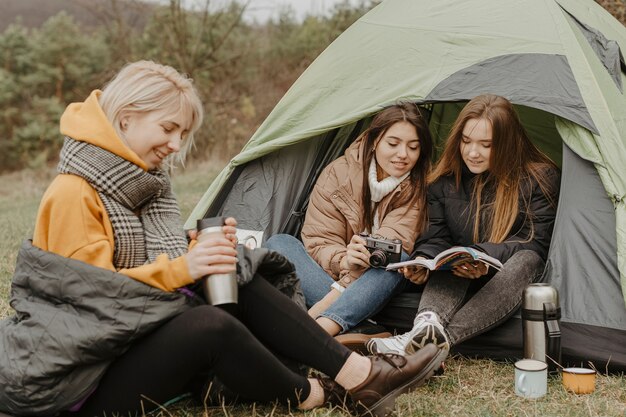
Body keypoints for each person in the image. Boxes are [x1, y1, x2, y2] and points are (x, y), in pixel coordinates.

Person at [0, 61, 447, 417]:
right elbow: (93, 301)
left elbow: (131, 256)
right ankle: (310, 393)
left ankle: (357, 376)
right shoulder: (75, 190)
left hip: (125, 344)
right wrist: (184, 266)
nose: (176, 145)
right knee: (210, 325)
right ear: (126, 118)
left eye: (183, 134)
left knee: (234, 272)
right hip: (81, 379)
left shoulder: (135, 181)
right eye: (168, 129)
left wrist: (193, 247)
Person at [367, 94, 560, 358]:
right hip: (460, 275)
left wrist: (483, 255)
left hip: (507, 279)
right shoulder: (444, 182)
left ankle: (433, 343)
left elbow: (535, 242)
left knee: (528, 259)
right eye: (466, 141)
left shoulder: (539, 178)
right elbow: (437, 237)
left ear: (507, 144)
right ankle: (426, 326)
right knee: (451, 255)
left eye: (486, 145)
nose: (472, 152)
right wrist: (423, 259)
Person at [265, 103, 433, 344]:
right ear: (375, 140)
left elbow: (387, 248)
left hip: (378, 279)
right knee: (278, 243)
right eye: (393, 144)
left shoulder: (419, 187)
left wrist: (332, 296)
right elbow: (319, 240)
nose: (403, 154)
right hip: (335, 274)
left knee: (397, 260)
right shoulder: (338, 174)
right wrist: (344, 260)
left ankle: (317, 330)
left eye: (413, 147)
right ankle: (363, 326)